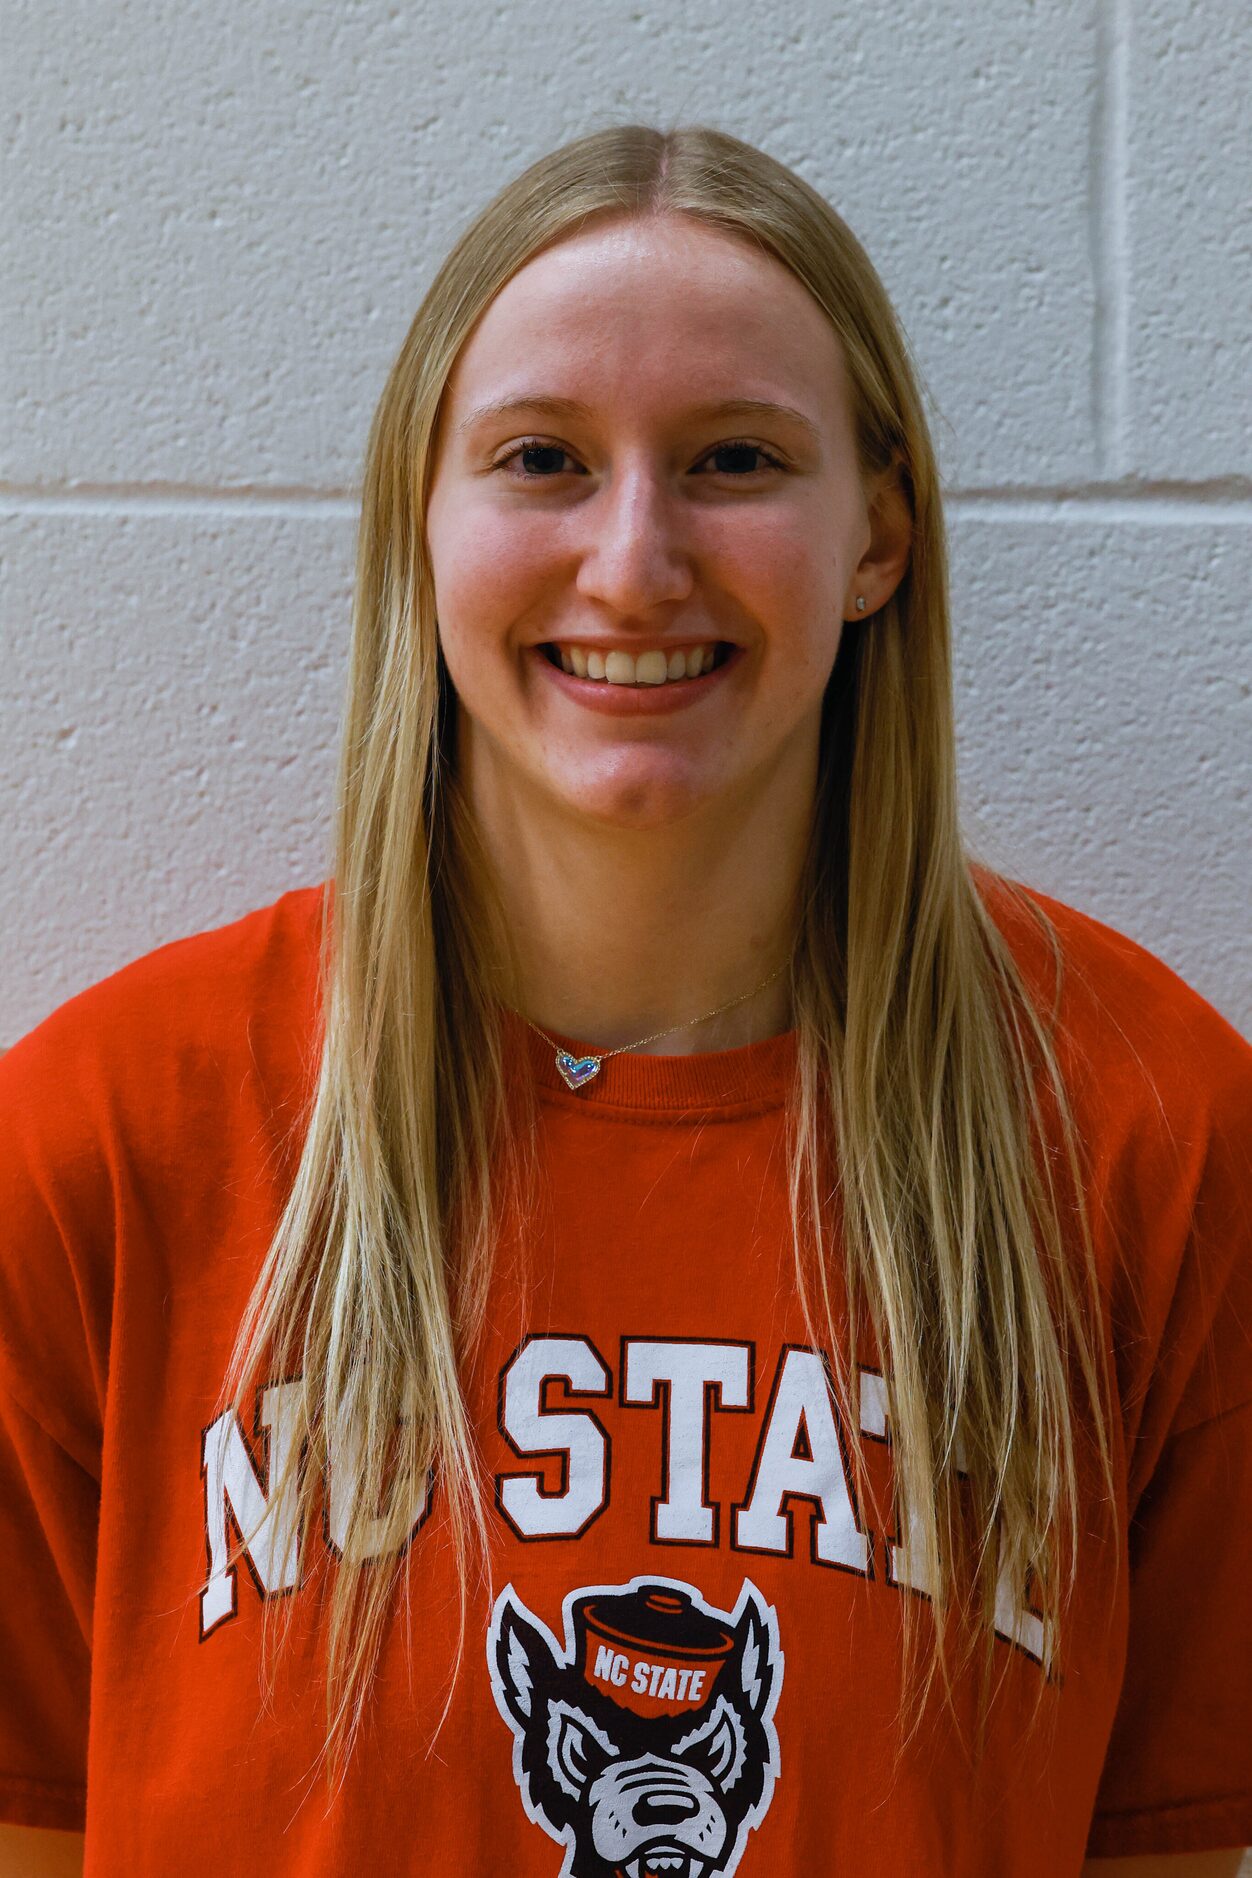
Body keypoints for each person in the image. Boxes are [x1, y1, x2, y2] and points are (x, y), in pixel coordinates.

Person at [0, 123, 1248, 1878]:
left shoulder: (1153, 1136)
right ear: (420, 527)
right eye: (542, 460)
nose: (636, 560)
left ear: (878, 535)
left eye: (735, 457)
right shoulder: (101, 1148)